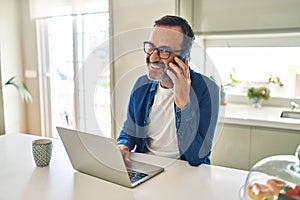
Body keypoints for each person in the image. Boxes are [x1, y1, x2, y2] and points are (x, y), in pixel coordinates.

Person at [117, 15, 220, 166]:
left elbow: (196, 158)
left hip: (186, 172)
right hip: (146, 168)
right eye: (151, 47)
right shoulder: (141, 85)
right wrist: (123, 146)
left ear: (184, 57)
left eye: (164, 50)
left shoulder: (208, 90)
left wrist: (184, 104)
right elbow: (129, 131)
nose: (152, 57)